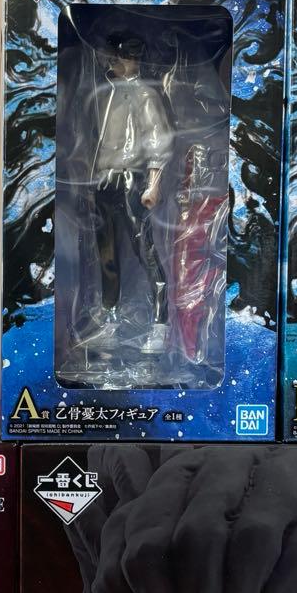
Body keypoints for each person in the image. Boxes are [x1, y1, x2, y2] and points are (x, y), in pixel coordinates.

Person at [80, 32, 174, 356]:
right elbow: (95, 140)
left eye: (120, 57)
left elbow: (159, 140)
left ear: (133, 59)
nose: (113, 62)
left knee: (144, 249)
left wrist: (154, 183)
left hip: (131, 179)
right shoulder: (104, 94)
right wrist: (91, 182)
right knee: (106, 252)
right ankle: (110, 319)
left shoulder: (145, 94)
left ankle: (160, 323)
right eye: (112, 57)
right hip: (104, 179)